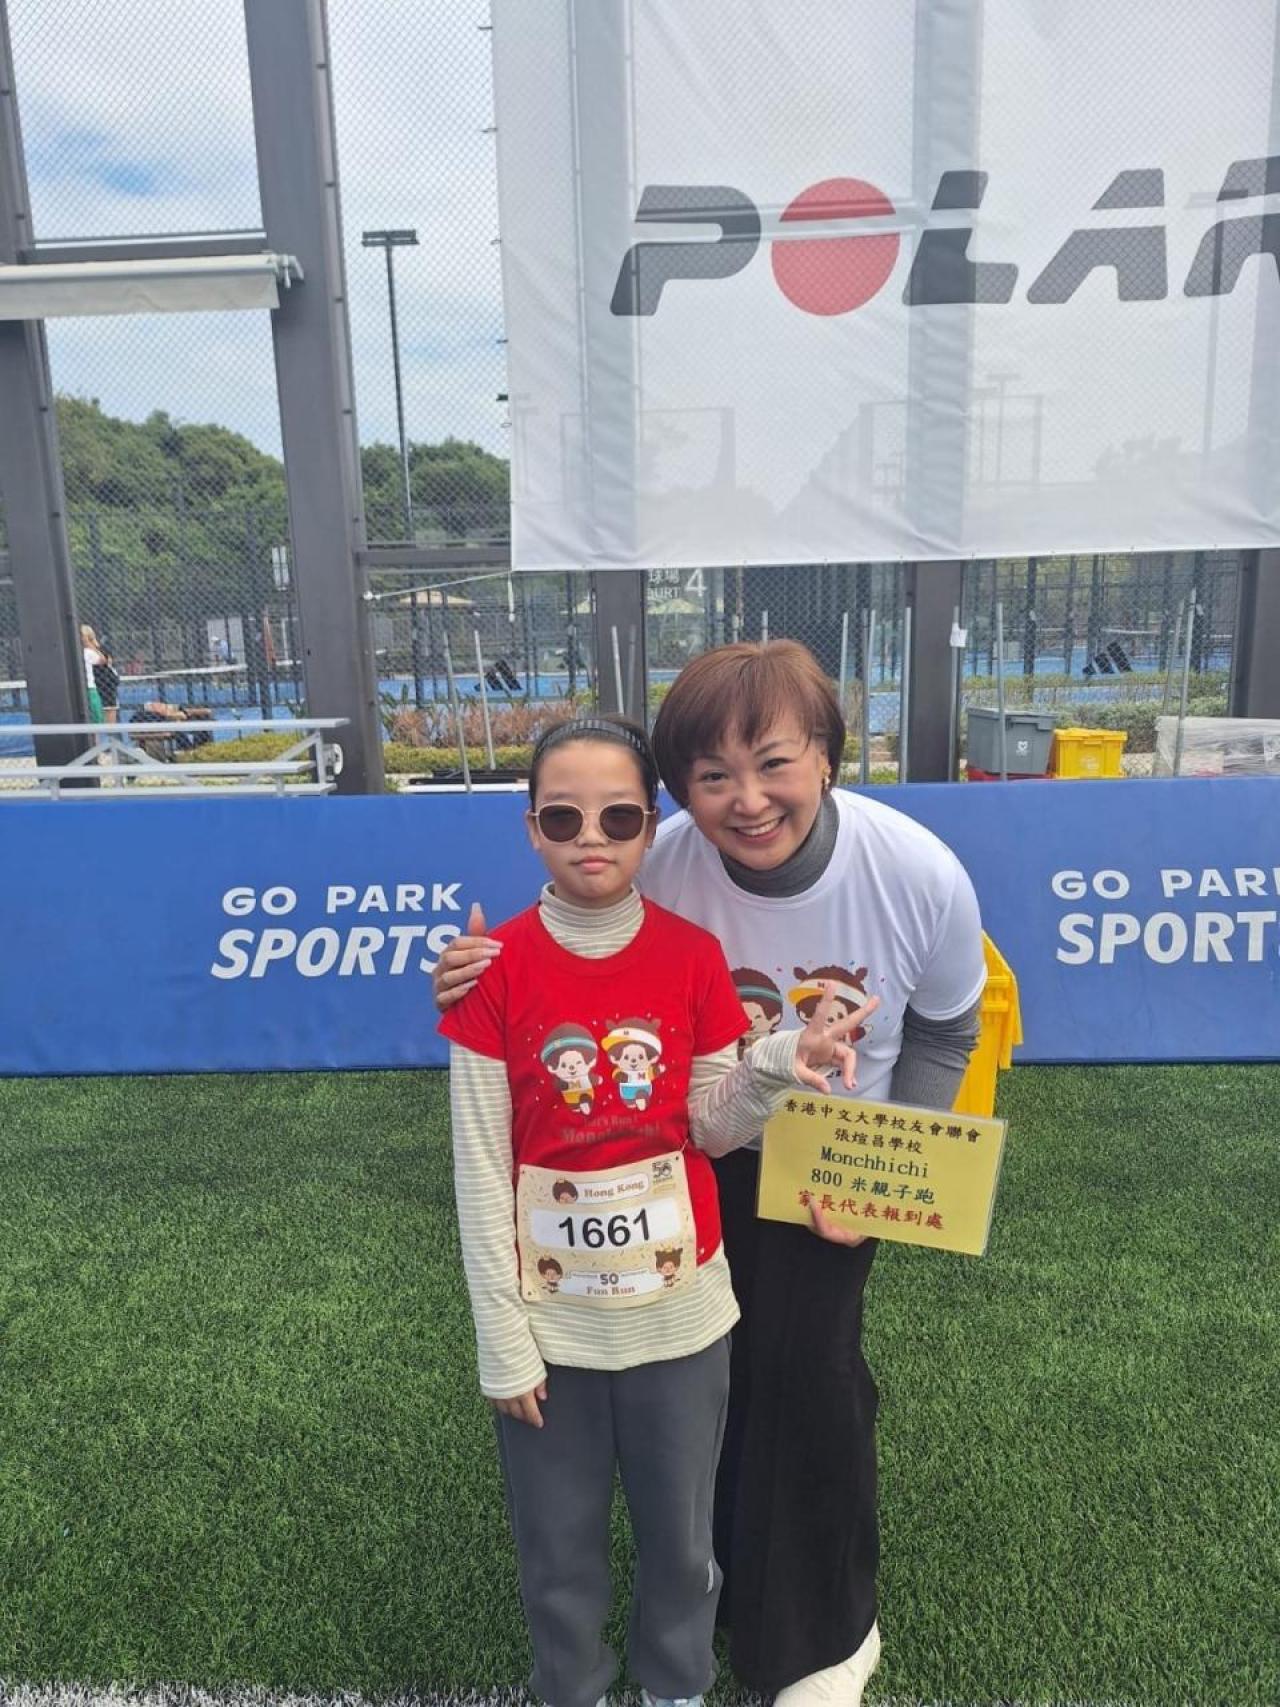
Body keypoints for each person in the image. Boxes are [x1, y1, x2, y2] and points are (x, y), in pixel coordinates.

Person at [436, 642, 986, 1707]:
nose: (748, 800)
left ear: (826, 757)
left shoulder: (918, 871)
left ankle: (825, 1635)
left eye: (774, 763)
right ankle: (717, 1593)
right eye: (712, 775)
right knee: (708, 1394)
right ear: (677, 794)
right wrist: (472, 977)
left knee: (811, 1376)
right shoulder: (660, 859)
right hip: (692, 1149)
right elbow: (567, 954)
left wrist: (885, 1181)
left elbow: (945, 1029)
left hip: (830, 1162)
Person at [79, 624, 106, 725]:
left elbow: (102, 660)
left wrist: (90, 644)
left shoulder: (88, 652)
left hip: (90, 687)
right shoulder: (82, 651)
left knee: (95, 717)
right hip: (85, 688)